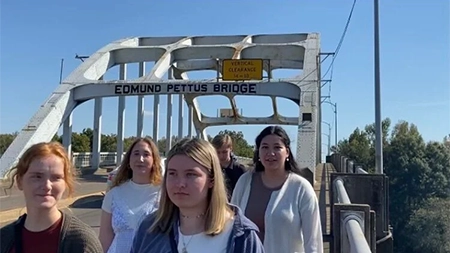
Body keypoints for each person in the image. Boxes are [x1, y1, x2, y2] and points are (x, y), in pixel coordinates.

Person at [130, 138, 265, 253]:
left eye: (191, 174)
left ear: (212, 179)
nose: (180, 183)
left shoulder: (241, 237)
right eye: (172, 173)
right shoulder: (150, 229)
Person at [231, 126, 323, 253]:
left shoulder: (301, 188)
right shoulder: (245, 182)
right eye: (264, 147)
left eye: (277, 147)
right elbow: (231, 225)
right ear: (258, 152)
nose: (271, 153)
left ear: (287, 153)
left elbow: (313, 241)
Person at [0, 142, 103, 253]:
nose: (47, 186)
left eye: (56, 177)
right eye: (37, 176)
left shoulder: (81, 242)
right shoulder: (4, 239)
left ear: (65, 183)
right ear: (19, 181)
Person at [99, 137, 163, 253]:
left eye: (146, 154)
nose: (141, 159)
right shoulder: (114, 194)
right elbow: (104, 239)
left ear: (154, 160)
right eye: (136, 154)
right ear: (128, 160)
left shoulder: (164, 194)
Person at [211, 134, 246, 199]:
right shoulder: (210, 169)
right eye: (218, 152)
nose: (221, 156)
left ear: (231, 149)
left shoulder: (240, 170)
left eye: (224, 152)